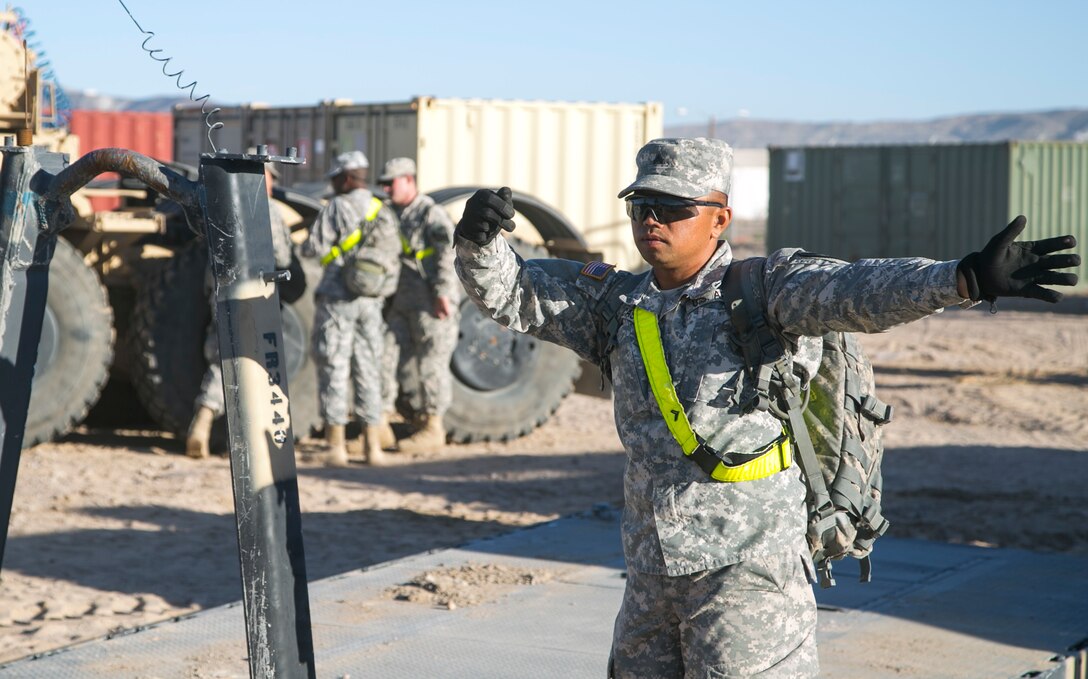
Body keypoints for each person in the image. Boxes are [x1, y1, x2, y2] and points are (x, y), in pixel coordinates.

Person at [451, 137, 1080, 678]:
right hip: (651, 566)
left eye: (674, 207)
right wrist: (478, 244)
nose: (653, 220)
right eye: (642, 206)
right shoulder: (616, 303)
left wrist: (962, 279)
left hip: (749, 569)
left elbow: (859, 289)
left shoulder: (765, 290)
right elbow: (517, 293)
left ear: (719, 217)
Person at [186, 158, 294, 459]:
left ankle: (203, 420)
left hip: (222, 288)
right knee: (253, 363)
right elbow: (282, 256)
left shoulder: (221, 205)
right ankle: (248, 441)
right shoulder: (268, 208)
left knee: (221, 354)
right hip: (256, 293)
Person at [301, 150, 401, 466]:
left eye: (334, 177)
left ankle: (336, 447)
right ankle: (372, 447)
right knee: (368, 369)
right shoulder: (381, 209)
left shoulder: (338, 207)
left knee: (334, 366)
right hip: (371, 302)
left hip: (337, 299)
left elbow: (312, 248)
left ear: (346, 178)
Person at [376, 157, 461, 452]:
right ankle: (382, 424)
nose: (386, 188)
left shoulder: (430, 214)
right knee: (385, 355)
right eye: (384, 183)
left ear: (409, 180)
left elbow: (446, 255)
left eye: (391, 182)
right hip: (401, 302)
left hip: (430, 303)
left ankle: (433, 429)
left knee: (431, 364)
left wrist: (443, 294)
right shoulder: (389, 214)